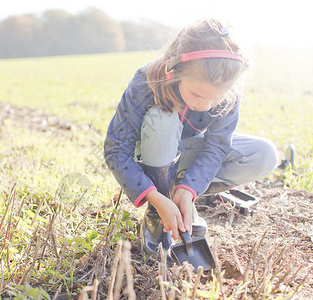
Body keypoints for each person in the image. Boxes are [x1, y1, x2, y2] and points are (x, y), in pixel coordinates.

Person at [103, 19, 278, 256]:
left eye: (218, 97)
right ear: (173, 71)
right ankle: (159, 210)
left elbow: (216, 147)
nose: (206, 105)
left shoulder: (228, 90)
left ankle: (181, 194)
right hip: (149, 153)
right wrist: (156, 198)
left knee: (265, 154)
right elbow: (116, 149)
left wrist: (188, 189)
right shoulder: (146, 82)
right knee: (163, 118)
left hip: (185, 152)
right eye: (196, 94)